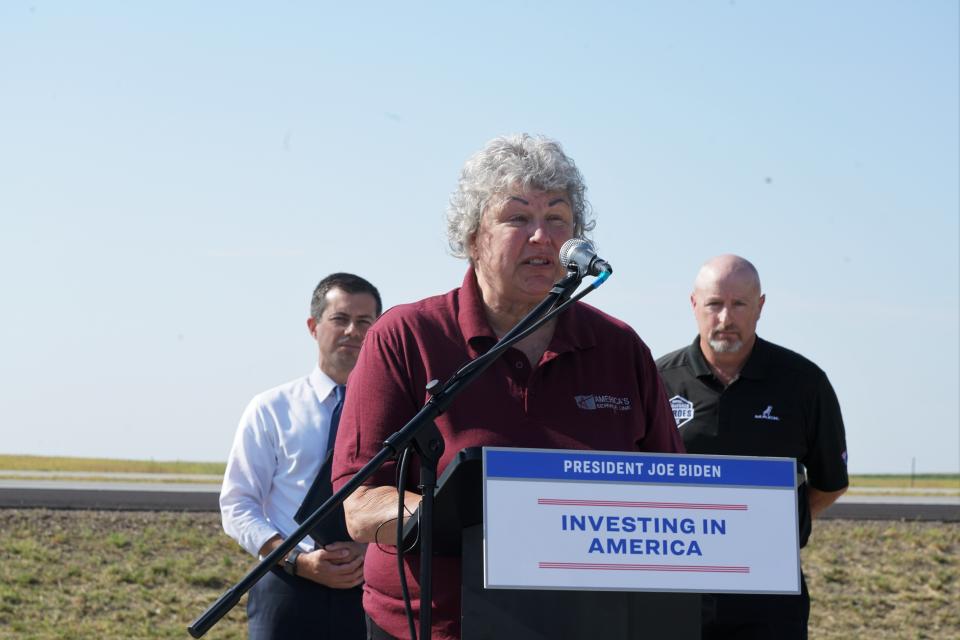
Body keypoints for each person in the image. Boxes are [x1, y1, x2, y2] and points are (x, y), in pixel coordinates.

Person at [331, 134, 685, 640]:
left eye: (558, 218)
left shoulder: (620, 347)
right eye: (517, 218)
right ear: (472, 237)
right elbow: (359, 505)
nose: (542, 236)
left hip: (588, 624)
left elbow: (672, 492)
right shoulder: (406, 336)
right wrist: (477, 519)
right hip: (437, 627)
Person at [656, 255, 849, 640]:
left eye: (739, 304)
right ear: (694, 305)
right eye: (714, 304)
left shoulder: (804, 383)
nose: (726, 318)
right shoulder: (657, 380)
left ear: (760, 307)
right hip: (675, 595)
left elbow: (830, 483)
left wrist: (772, 527)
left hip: (769, 601)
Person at [220, 272, 382, 640]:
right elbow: (237, 505)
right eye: (340, 319)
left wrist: (368, 548)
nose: (352, 331)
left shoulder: (398, 415)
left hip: (370, 589)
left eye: (364, 322)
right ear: (313, 326)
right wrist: (297, 559)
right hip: (286, 585)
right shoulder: (271, 409)